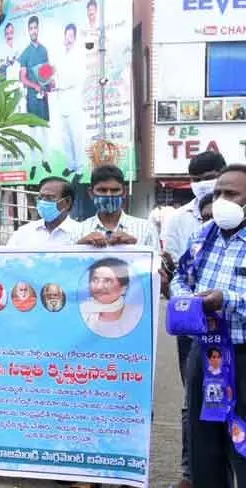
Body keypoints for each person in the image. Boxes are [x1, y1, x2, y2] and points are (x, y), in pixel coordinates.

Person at [170, 164, 246, 488]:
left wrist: (224, 299)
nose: (221, 200)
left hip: (242, 358)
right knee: (204, 446)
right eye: (217, 193)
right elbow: (179, 277)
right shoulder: (204, 235)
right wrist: (186, 299)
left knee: (241, 445)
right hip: (205, 355)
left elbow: (229, 297)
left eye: (231, 194)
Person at [160, 151, 224, 488]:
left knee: (233, 396)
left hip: (233, 325)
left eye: (211, 175)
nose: (204, 184)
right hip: (193, 327)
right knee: (193, 399)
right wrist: (182, 296)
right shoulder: (179, 220)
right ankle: (191, 472)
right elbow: (174, 273)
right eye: (197, 178)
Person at [73, 165, 158, 251]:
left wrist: (135, 247)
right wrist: (80, 247)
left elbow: (156, 262)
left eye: (115, 190)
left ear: (124, 192)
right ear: (91, 193)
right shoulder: (78, 231)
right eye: (102, 190)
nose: (108, 195)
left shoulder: (146, 229)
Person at [48, 23, 88, 176]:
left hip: (73, 100)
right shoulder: (60, 54)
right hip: (61, 100)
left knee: (75, 135)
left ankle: (79, 168)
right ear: (64, 36)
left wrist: (57, 84)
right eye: (67, 35)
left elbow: (74, 78)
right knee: (64, 135)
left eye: (72, 36)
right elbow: (53, 72)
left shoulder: (78, 55)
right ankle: (70, 165)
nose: (69, 39)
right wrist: (49, 80)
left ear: (75, 38)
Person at [6, 176, 78, 247]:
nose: (43, 202)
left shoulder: (79, 233)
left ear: (67, 202)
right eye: (40, 197)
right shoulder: (23, 233)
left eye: (50, 198)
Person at [80, 257, 142, 338]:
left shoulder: (137, 315)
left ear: (123, 288)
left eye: (108, 281)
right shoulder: (82, 312)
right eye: (95, 280)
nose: (99, 287)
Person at [17, 16, 52, 138]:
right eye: (31, 28)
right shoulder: (25, 53)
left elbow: (46, 74)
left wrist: (50, 84)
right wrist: (35, 86)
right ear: (28, 31)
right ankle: (35, 158)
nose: (33, 31)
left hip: (43, 98)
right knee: (34, 134)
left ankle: (46, 157)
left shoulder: (44, 50)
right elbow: (23, 78)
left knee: (45, 131)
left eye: (35, 28)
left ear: (38, 29)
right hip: (32, 98)